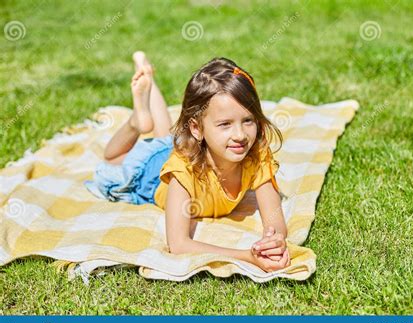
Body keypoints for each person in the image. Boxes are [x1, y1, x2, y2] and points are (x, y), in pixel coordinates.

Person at [85, 52, 290, 272]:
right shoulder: (183, 170)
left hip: (189, 147)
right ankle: (136, 122)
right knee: (113, 159)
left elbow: (274, 219)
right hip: (149, 172)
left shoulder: (256, 155)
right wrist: (246, 256)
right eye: (225, 124)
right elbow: (178, 244)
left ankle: (149, 78)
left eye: (248, 120)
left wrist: (274, 240)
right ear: (196, 129)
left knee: (166, 136)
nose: (240, 135)